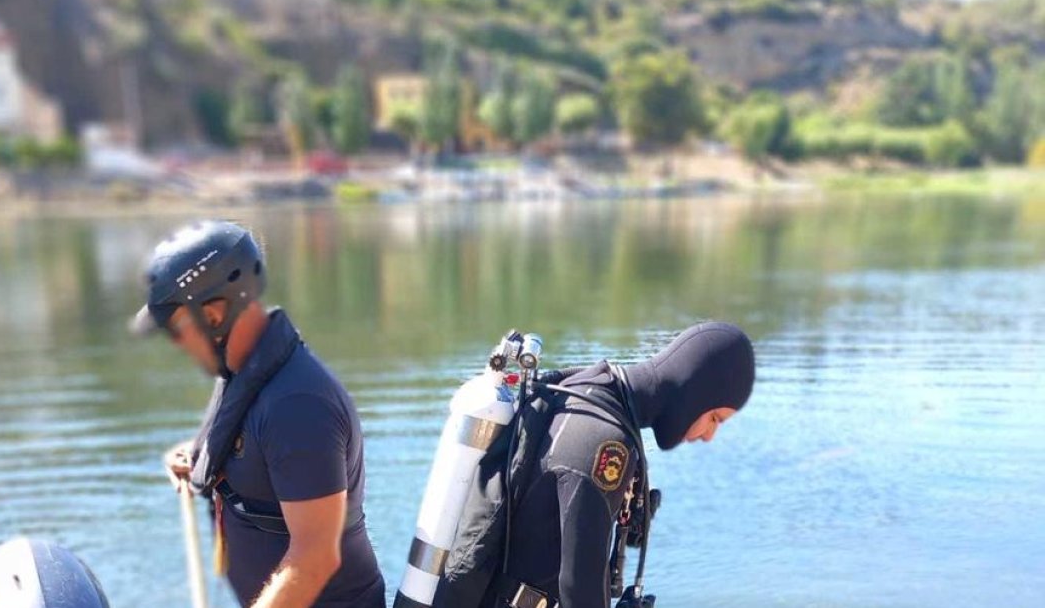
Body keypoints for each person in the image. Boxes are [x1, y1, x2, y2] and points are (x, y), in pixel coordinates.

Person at [131, 220, 385, 608]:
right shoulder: (244, 372)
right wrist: (196, 455)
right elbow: (257, 452)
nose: (176, 343)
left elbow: (315, 559)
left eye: (176, 328)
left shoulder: (298, 407)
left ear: (213, 315)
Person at [433, 321, 756, 608]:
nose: (710, 435)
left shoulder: (587, 389)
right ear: (695, 392)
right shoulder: (606, 442)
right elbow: (579, 588)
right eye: (715, 417)